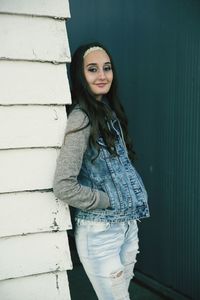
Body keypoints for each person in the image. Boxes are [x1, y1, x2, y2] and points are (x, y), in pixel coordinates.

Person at [53, 42, 150, 300]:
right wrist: (107, 200)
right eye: (92, 69)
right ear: (80, 75)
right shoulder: (81, 118)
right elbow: (63, 185)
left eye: (106, 68)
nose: (102, 75)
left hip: (127, 226)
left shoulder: (108, 112)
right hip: (99, 233)